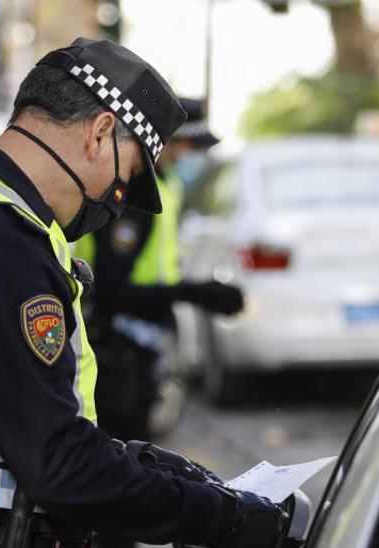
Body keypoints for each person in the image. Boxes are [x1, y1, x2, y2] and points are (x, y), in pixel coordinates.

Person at [0, 38, 288, 548]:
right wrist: (225, 518)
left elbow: (16, 415)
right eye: (130, 174)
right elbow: (58, 464)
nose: (117, 201)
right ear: (100, 132)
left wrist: (136, 463)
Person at [75, 98, 241, 448]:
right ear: (162, 142)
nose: (193, 157)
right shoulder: (135, 199)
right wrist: (191, 292)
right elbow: (111, 292)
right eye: (189, 146)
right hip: (113, 350)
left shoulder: (166, 188)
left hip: (138, 349)